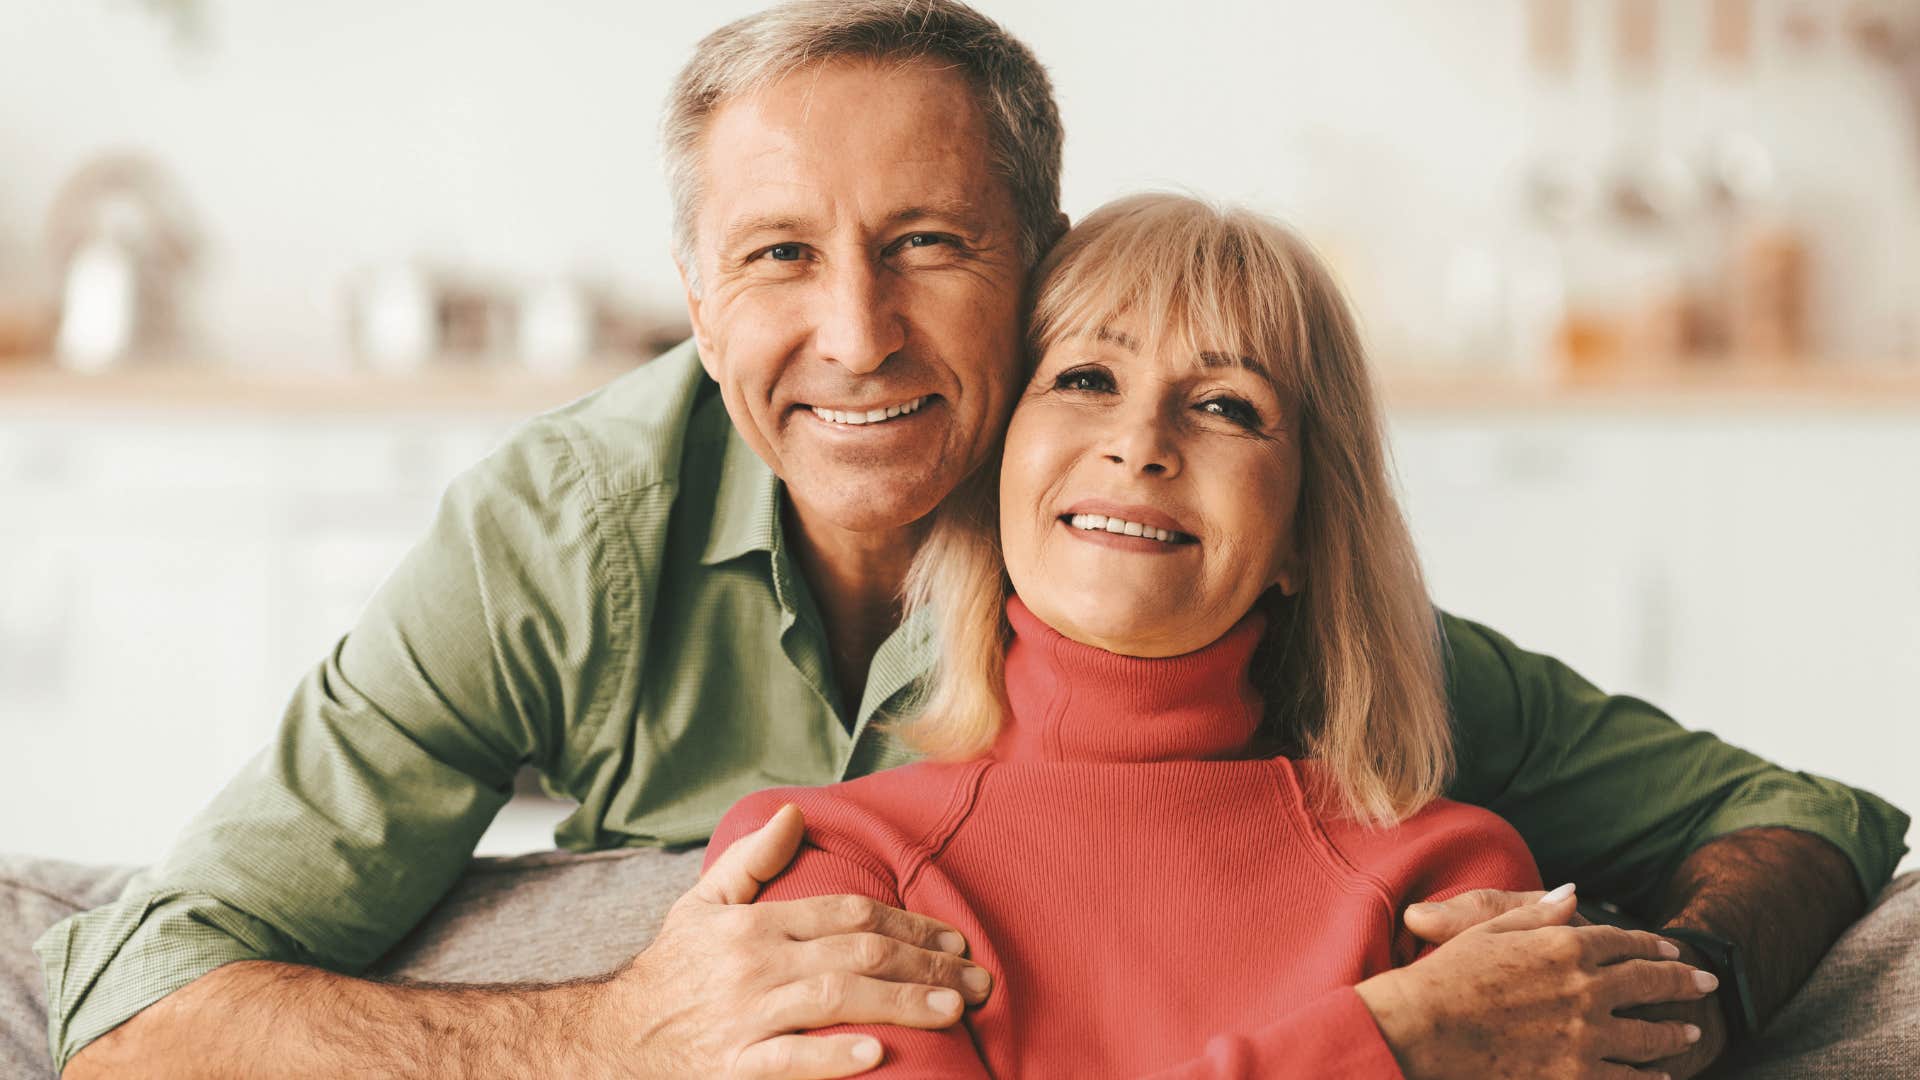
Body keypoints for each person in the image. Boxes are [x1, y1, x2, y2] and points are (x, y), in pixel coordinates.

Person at [38, 3, 1906, 1078]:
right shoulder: (567, 537)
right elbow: (131, 997)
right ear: (694, 292)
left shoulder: (1174, 548)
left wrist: (1640, 1002)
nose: (856, 337)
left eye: (928, 244)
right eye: (779, 256)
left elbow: (1803, 815)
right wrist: (618, 1031)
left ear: (1043, 261)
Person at [699, 190, 1719, 1076]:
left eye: (1228, 406)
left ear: (1305, 530)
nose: (1140, 443)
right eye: (1086, 379)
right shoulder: (827, 865)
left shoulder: (1447, 881)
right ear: (1000, 461)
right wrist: (1391, 1044)